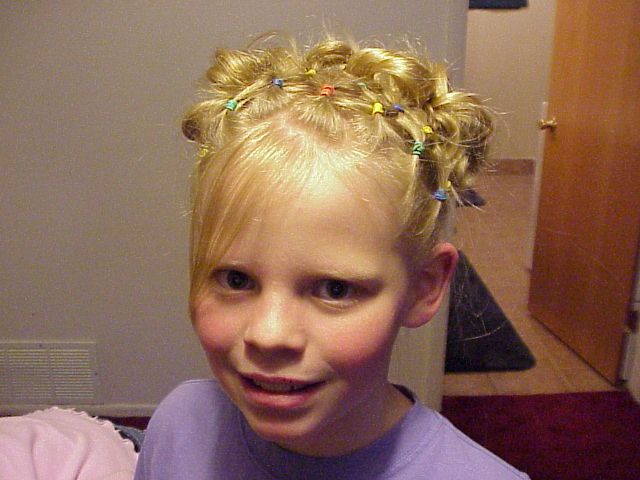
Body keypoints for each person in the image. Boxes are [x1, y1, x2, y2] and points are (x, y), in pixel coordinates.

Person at [134, 33, 530, 479]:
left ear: (425, 286)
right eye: (236, 280)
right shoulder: (180, 425)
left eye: (334, 289)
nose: (269, 334)